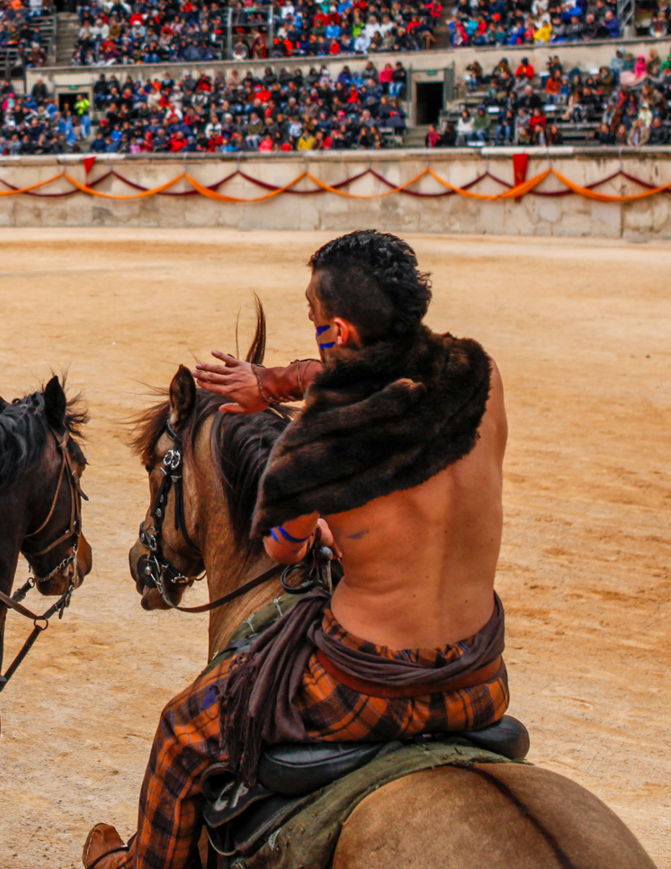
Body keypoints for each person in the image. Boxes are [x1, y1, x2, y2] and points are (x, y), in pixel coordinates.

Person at [86, 231, 507, 869]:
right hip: (480, 677)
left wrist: (330, 522)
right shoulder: (480, 374)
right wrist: (277, 381)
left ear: (337, 330)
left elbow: (286, 548)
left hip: (365, 686)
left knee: (181, 734)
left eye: (314, 322)